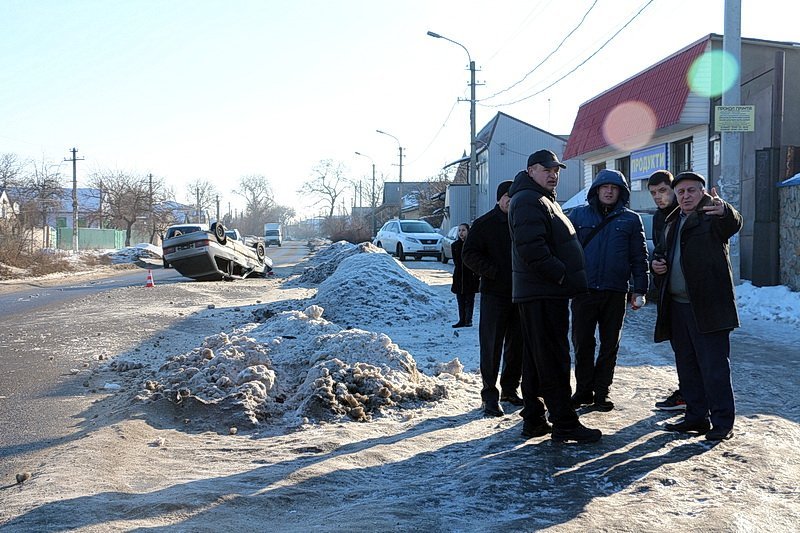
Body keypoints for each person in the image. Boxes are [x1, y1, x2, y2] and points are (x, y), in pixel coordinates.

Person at [508, 149, 601, 443]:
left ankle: (534, 419)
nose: (553, 174)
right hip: (543, 291)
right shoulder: (528, 200)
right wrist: (561, 274)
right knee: (553, 358)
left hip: (543, 292)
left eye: (556, 170)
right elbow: (532, 248)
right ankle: (565, 423)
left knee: (538, 359)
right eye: (546, 169)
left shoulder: (540, 199)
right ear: (531, 170)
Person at [652, 172, 742, 441]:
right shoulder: (671, 220)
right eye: (680, 192)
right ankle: (695, 418)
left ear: (702, 192)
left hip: (708, 307)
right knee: (687, 366)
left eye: (692, 190)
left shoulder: (713, 217)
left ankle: (722, 423)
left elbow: (733, 224)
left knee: (714, 368)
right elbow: (662, 253)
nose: (686, 196)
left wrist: (725, 210)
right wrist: (656, 265)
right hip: (678, 307)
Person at [568, 169, 649, 412]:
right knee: (582, 342)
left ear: (621, 192)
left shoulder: (631, 220)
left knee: (609, 344)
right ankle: (583, 390)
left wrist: (640, 289)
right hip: (584, 291)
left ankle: (602, 392)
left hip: (615, 291)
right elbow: (567, 251)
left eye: (615, 188)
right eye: (605, 187)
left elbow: (639, 257)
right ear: (596, 190)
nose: (609, 191)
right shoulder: (578, 215)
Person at [462, 181, 524, 418]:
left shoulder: (523, 221)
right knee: (492, 345)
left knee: (517, 345)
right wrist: (493, 272)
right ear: (499, 199)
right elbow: (469, 254)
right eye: (507, 196)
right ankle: (490, 395)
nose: (511, 200)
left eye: (515, 196)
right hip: (494, 294)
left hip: (520, 293)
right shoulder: (485, 223)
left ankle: (510, 389)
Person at [647, 170, 686, 411]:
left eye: (663, 191)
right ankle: (687, 392)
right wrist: (656, 264)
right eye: (653, 193)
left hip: (691, 295)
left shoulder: (689, 212)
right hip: (669, 292)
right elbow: (661, 250)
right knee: (680, 348)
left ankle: (696, 397)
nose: (659, 197)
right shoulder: (658, 218)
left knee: (698, 351)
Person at [450, 223, 480, 328]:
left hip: (470, 275)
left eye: (463, 230)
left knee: (469, 299)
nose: (461, 233)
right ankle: (461, 319)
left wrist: (476, 275)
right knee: (460, 299)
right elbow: (456, 262)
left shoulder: (473, 245)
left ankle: (468, 320)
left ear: (468, 231)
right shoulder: (455, 246)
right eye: (459, 230)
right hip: (459, 276)